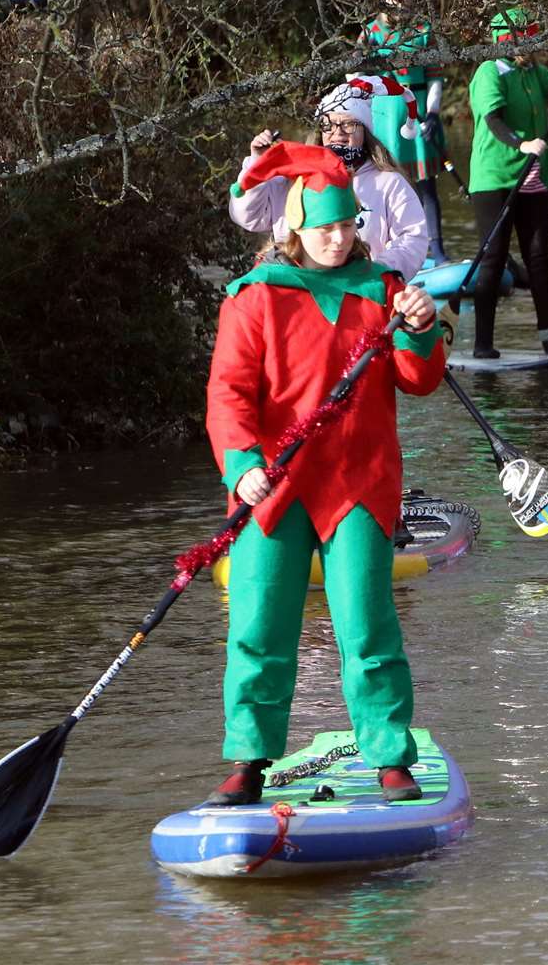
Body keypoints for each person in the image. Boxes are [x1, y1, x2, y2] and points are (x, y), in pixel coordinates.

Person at [210, 143, 446, 805]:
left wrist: (422, 331)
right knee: (257, 625)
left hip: (359, 485)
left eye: (348, 226)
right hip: (275, 488)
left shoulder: (385, 293)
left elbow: (418, 380)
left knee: (369, 628)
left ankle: (390, 757)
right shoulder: (254, 301)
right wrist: (242, 464)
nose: (338, 239)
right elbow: (228, 394)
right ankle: (248, 761)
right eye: (324, 228)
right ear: (292, 230)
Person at [466, 8, 548, 358]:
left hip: (535, 177)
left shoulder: (534, 72)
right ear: (504, 41)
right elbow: (492, 119)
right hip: (494, 178)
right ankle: (482, 346)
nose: (532, 44)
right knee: (493, 259)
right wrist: (521, 143)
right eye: (525, 38)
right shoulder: (488, 72)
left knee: (538, 257)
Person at [232, 78, 429, 280]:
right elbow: (247, 218)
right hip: (295, 289)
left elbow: (413, 237)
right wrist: (258, 163)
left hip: (361, 291)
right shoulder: (293, 175)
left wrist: (378, 273)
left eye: (349, 124)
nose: (338, 133)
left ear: (365, 131)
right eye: (329, 125)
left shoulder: (389, 183)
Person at [359, 0, 449, 263]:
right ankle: (388, 252)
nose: (403, 4)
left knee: (426, 185)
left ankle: (437, 249)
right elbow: (355, 75)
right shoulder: (370, 33)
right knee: (389, 184)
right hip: (385, 117)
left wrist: (433, 113)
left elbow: (435, 77)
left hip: (419, 113)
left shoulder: (424, 31)